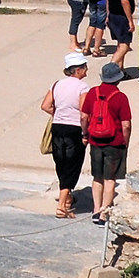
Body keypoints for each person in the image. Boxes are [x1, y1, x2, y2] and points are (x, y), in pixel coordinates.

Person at [81, 63, 134, 219]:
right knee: (110, 178)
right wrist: (126, 142)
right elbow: (126, 125)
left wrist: (85, 134)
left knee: (97, 177)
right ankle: (104, 213)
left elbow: (84, 116)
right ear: (118, 79)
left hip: (95, 140)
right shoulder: (120, 97)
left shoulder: (93, 92)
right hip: (114, 142)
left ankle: (96, 209)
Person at [44, 54, 91, 217]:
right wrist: (86, 133)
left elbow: (45, 105)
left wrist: (59, 113)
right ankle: (62, 206)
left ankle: (67, 197)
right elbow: (84, 114)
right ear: (78, 70)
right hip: (74, 129)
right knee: (73, 165)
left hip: (58, 127)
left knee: (61, 163)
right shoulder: (83, 87)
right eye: (84, 67)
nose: (86, 70)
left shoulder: (57, 84)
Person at [104, 0, 138, 70]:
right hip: (121, 17)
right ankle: (110, 68)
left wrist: (108, 14)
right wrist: (130, 20)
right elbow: (124, 1)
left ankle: (120, 70)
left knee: (120, 43)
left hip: (113, 15)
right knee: (124, 45)